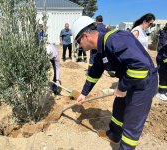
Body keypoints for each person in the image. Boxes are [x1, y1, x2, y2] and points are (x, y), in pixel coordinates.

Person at [71, 16, 158, 150]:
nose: (80, 46)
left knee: (131, 124)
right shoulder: (100, 49)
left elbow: (140, 68)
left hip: (143, 84)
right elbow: (95, 72)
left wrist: (122, 88)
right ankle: (114, 134)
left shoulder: (116, 40)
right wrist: (84, 93)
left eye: (78, 42)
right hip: (128, 80)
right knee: (118, 109)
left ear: (85, 36)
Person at [156, 23, 167, 100]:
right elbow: (162, 47)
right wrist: (165, 58)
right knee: (164, 75)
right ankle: (161, 92)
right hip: (163, 57)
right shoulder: (164, 33)